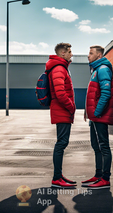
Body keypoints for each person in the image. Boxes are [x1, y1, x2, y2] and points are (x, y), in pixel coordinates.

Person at [82, 45, 113, 189]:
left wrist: (96, 112)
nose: (88, 56)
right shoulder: (96, 70)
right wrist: (87, 111)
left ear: (99, 55)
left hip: (99, 115)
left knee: (103, 146)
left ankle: (105, 179)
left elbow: (106, 94)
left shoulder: (102, 69)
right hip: (94, 116)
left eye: (91, 53)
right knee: (96, 146)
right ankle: (98, 175)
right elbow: (93, 94)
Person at [47, 43, 77, 188]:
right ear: (63, 53)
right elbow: (60, 94)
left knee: (61, 143)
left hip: (62, 111)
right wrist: (71, 107)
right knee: (61, 143)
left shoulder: (61, 68)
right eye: (70, 52)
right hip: (62, 111)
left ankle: (59, 176)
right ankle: (57, 178)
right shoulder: (59, 68)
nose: (72, 54)